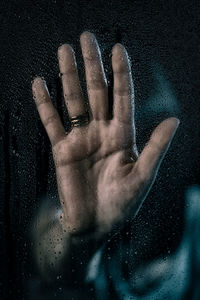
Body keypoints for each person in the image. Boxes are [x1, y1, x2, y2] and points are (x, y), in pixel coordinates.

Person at [31, 31, 182, 299]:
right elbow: (48, 255)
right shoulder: (69, 200)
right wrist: (82, 240)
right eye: (143, 131)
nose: (148, 157)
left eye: (163, 127)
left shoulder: (193, 214)